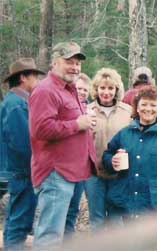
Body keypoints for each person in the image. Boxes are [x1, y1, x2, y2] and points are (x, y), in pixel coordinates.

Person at [29, 42, 97, 250]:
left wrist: (84, 126)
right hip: (56, 174)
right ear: (55, 62)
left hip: (73, 172)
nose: (75, 67)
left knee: (65, 232)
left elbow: (67, 124)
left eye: (77, 63)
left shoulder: (70, 89)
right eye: (69, 62)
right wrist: (77, 124)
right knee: (49, 236)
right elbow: (40, 130)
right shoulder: (45, 90)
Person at [103, 86, 157, 221]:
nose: (148, 109)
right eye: (143, 104)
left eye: (153, 105)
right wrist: (112, 161)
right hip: (128, 204)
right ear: (137, 108)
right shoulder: (125, 133)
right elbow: (107, 155)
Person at [0, 58, 44, 251]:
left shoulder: (15, 101)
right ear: (23, 78)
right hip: (24, 173)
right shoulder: (17, 105)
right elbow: (22, 144)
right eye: (34, 76)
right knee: (20, 223)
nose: (38, 81)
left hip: (20, 172)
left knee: (14, 220)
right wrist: (35, 169)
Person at [85, 68, 132, 231]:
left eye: (110, 88)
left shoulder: (127, 112)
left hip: (118, 175)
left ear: (116, 90)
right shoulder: (87, 111)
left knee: (115, 220)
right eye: (102, 88)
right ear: (96, 89)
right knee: (97, 219)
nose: (106, 92)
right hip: (93, 174)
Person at [64, 73, 92, 239]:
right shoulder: (67, 107)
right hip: (65, 166)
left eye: (85, 90)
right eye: (79, 88)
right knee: (61, 209)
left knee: (74, 208)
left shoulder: (90, 109)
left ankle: (68, 240)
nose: (82, 92)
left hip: (83, 166)